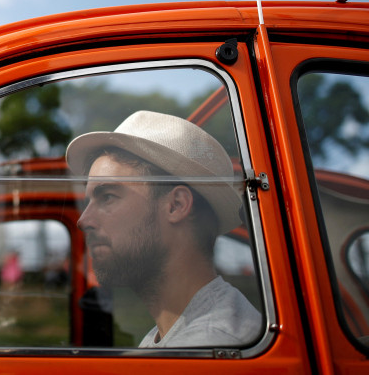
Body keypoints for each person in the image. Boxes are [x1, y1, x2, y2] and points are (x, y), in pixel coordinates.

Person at [66, 110, 261, 348]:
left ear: (176, 205)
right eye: (88, 203)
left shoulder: (212, 347)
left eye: (107, 197)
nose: (83, 221)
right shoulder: (170, 337)